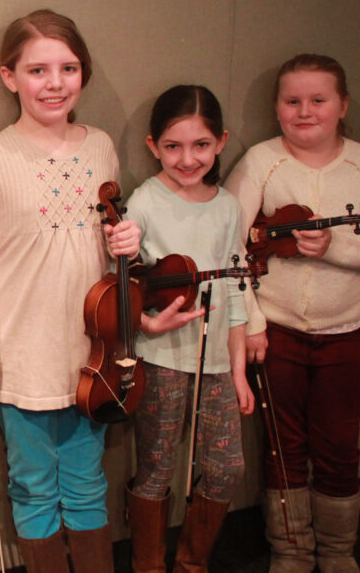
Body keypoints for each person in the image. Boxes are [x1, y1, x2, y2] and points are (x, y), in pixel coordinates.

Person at [0, 10, 140, 573]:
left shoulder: (102, 147)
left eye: (68, 68)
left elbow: (106, 247)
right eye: (38, 70)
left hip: (93, 357)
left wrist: (126, 241)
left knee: (87, 483)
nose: (54, 83)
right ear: (10, 77)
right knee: (33, 486)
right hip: (21, 357)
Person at [224, 54, 360, 573]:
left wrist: (333, 246)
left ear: (341, 106)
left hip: (346, 336)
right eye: (292, 101)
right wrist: (254, 320)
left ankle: (339, 551)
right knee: (283, 447)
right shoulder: (261, 161)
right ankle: (290, 551)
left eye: (318, 101)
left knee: (339, 446)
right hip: (276, 334)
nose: (305, 112)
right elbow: (230, 245)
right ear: (278, 107)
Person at [124, 85, 255, 572]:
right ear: (152, 145)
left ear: (220, 142)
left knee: (226, 469)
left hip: (217, 361)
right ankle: (148, 564)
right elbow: (127, 286)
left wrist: (239, 371)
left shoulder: (227, 207)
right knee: (157, 467)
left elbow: (235, 290)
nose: (187, 159)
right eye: (173, 146)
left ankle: (192, 562)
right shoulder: (142, 203)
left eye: (200, 145)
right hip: (160, 359)